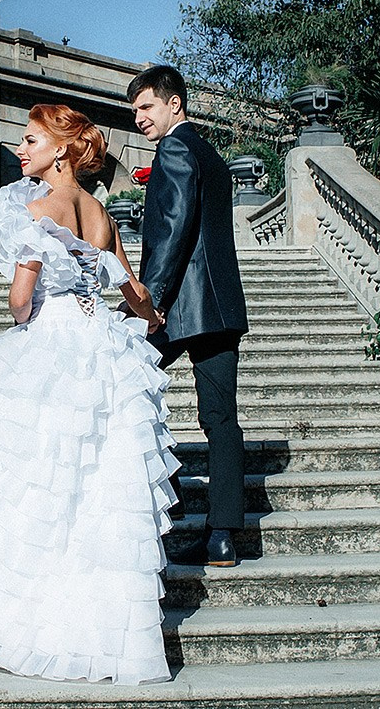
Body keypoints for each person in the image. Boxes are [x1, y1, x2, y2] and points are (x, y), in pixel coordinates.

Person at [0, 104, 177, 685]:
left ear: (62, 150)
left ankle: (35, 622)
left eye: (30, 141)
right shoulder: (99, 212)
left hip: (53, 341)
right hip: (106, 345)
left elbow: (20, 302)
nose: (22, 151)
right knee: (101, 484)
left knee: (40, 478)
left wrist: (32, 295)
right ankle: (107, 632)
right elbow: (135, 291)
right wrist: (150, 316)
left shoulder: (35, 212)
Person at [129, 63, 249, 567]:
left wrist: (148, 301)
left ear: (174, 103)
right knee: (221, 421)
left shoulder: (175, 148)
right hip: (220, 307)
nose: (138, 118)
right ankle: (223, 536)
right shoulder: (211, 154)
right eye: (134, 110)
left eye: (146, 107)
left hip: (180, 307)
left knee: (122, 383)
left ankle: (168, 498)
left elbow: (175, 229)